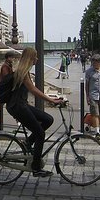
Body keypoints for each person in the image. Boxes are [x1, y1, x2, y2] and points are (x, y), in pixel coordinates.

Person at [6, 47, 63, 178]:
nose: (37, 59)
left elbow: (34, 89)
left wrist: (52, 98)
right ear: (30, 58)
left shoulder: (25, 71)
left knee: (48, 119)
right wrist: (50, 100)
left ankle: (27, 142)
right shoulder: (23, 72)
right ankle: (36, 168)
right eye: (35, 57)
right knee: (40, 134)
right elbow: (33, 90)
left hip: (21, 105)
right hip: (18, 107)